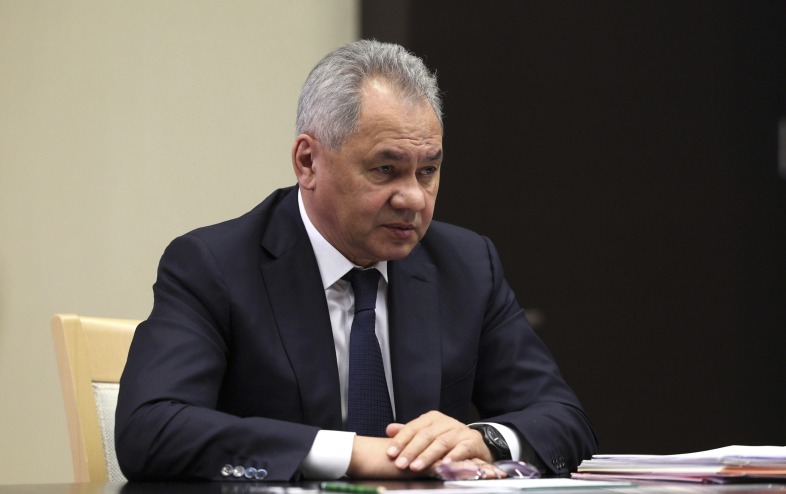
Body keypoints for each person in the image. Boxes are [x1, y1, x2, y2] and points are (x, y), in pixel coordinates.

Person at [115, 40, 597, 482]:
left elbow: (563, 419)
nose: (413, 198)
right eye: (386, 169)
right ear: (308, 162)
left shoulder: (467, 265)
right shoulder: (214, 266)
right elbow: (150, 428)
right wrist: (353, 453)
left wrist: (484, 439)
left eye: (428, 171)